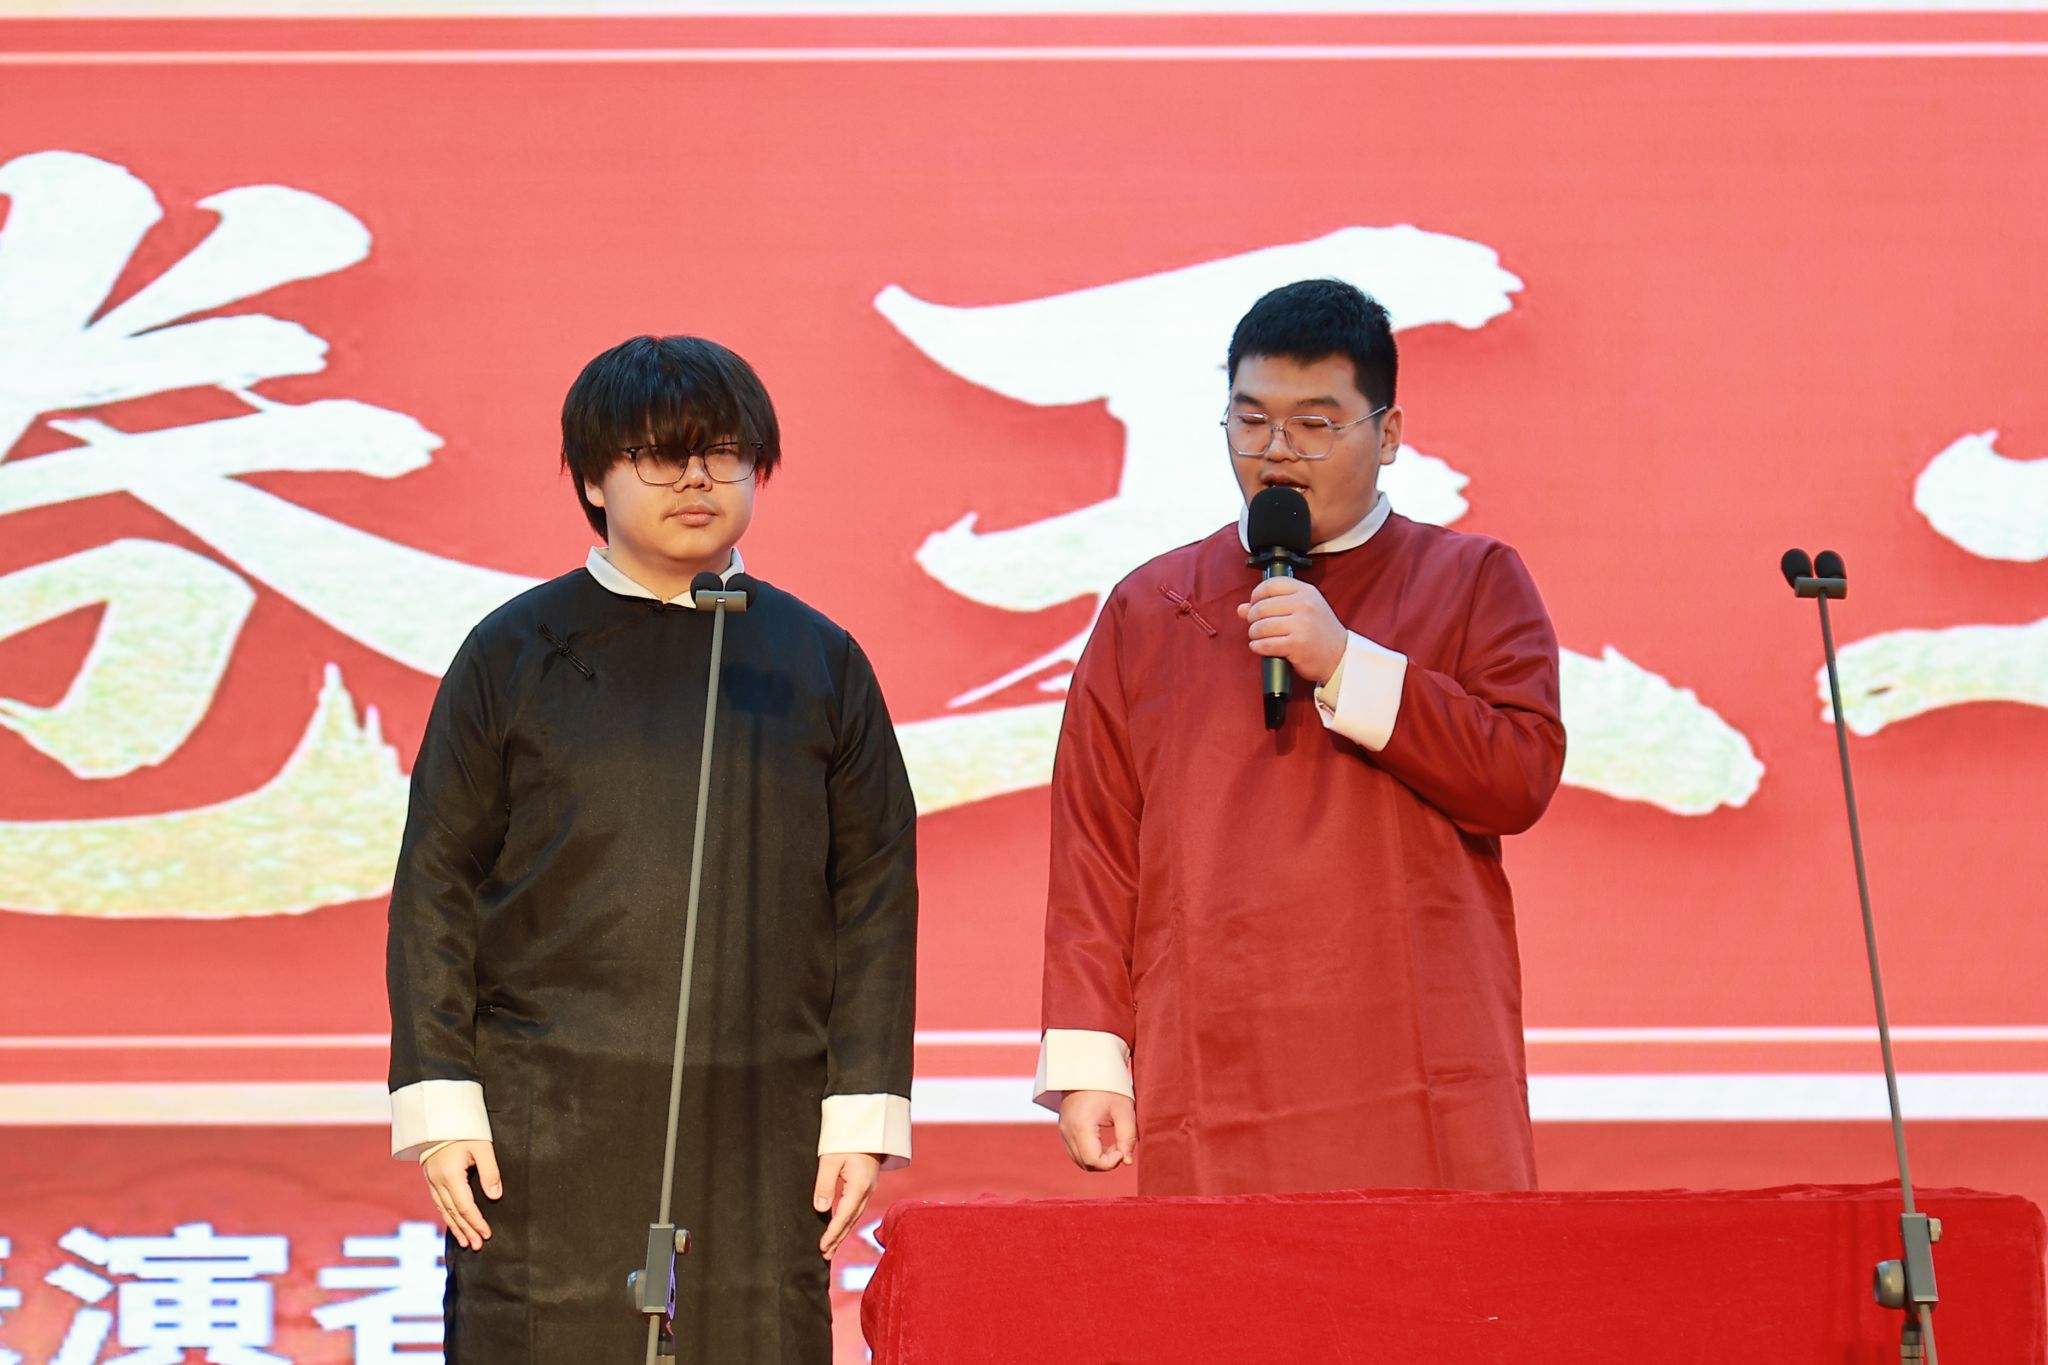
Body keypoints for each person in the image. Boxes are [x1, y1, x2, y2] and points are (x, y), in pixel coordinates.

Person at [386, 335, 917, 1362]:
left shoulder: (819, 661)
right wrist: (441, 1100)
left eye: (723, 453)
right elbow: (438, 882)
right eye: (661, 456)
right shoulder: (513, 652)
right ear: (593, 477)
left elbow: (873, 892)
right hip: (544, 1123)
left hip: (760, 1121)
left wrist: (861, 1109)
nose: (697, 480)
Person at [1035, 279, 1564, 1197]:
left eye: (1315, 424)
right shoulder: (1151, 606)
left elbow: (1518, 775)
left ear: (1388, 434)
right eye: (1251, 422)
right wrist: (1089, 1057)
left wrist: (1347, 661)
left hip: (1418, 1060)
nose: (1276, 452)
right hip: (1218, 1053)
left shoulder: (1474, 579)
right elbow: (1096, 843)